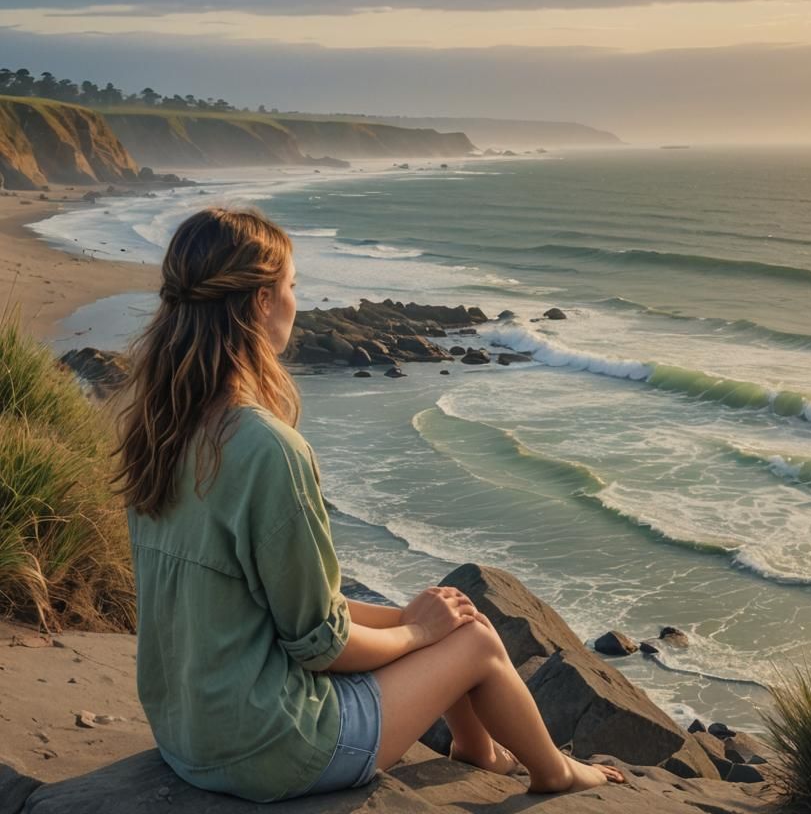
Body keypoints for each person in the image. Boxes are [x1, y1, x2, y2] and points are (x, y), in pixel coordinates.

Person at [109, 206, 626, 803]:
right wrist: (416, 634)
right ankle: (557, 772)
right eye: (292, 288)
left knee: (451, 617)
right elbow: (322, 647)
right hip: (272, 748)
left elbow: (274, 606)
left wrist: (410, 617)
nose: (297, 303)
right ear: (259, 304)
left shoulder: (158, 430)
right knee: (476, 641)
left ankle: (479, 749)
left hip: (186, 736)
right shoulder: (266, 449)